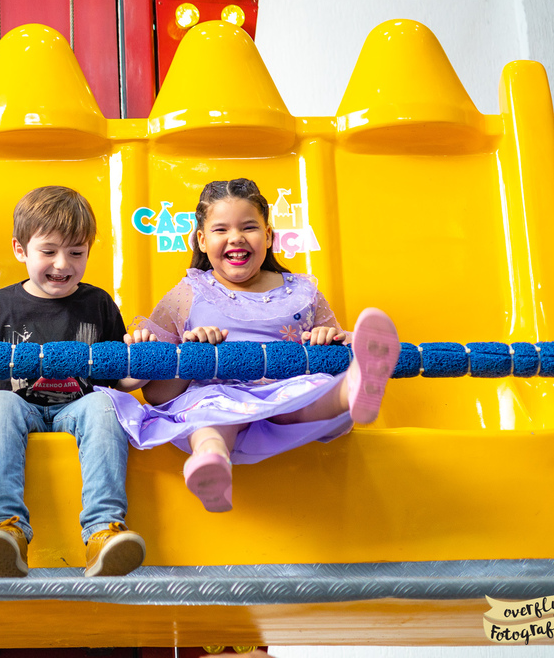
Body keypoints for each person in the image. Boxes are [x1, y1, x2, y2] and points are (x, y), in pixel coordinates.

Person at [104, 178, 400, 512]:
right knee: (209, 417)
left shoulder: (301, 292)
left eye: (249, 227)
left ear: (269, 236)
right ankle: (211, 462)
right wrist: (191, 355)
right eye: (221, 230)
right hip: (216, 396)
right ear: (201, 240)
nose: (236, 238)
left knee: (312, 391)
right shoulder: (188, 294)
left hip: (287, 395)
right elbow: (158, 394)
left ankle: (353, 392)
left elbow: (333, 347)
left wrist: (331, 341)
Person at [0, 186, 145, 579]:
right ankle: (7, 529)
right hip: (17, 407)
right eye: (49, 251)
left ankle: (103, 531)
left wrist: (140, 364)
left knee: (104, 403)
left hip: (78, 407)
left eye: (76, 252)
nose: (62, 264)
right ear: (20, 249)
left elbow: (118, 380)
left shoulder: (99, 304)